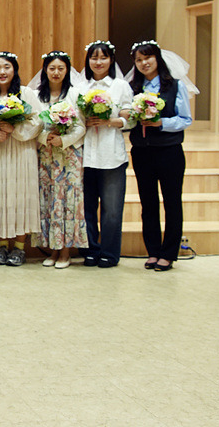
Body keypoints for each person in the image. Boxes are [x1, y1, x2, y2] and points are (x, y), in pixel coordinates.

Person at [128, 41, 192, 271]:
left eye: (148, 58)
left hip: (169, 151)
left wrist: (161, 122)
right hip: (142, 151)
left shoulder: (174, 85)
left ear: (157, 58)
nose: (144, 63)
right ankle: (153, 251)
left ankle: (169, 253)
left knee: (172, 202)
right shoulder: (133, 88)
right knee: (148, 203)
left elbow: (185, 119)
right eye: (138, 60)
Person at [0, 52, 43, 267]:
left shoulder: (26, 93)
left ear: (14, 69)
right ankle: (1, 245)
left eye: (6, 67)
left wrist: (14, 129)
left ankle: (19, 248)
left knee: (20, 196)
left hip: (21, 151)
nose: (2, 72)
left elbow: (38, 122)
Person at [80, 41, 133, 268]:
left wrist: (110, 121)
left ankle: (109, 253)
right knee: (87, 207)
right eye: (94, 57)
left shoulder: (120, 86)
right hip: (86, 155)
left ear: (111, 60)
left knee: (112, 210)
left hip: (111, 155)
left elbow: (130, 118)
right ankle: (91, 250)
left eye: (103, 57)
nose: (98, 62)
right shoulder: (80, 86)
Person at [34, 51, 87, 268]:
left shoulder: (75, 94)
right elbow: (32, 125)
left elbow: (81, 126)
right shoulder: (37, 96)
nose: (56, 72)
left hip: (69, 155)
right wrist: (46, 137)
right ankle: (53, 250)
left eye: (61, 68)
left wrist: (63, 140)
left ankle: (65, 252)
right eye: (52, 68)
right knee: (49, 200)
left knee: (67, 201)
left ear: (67, 71)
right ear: (45, 70)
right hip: (46, 155)